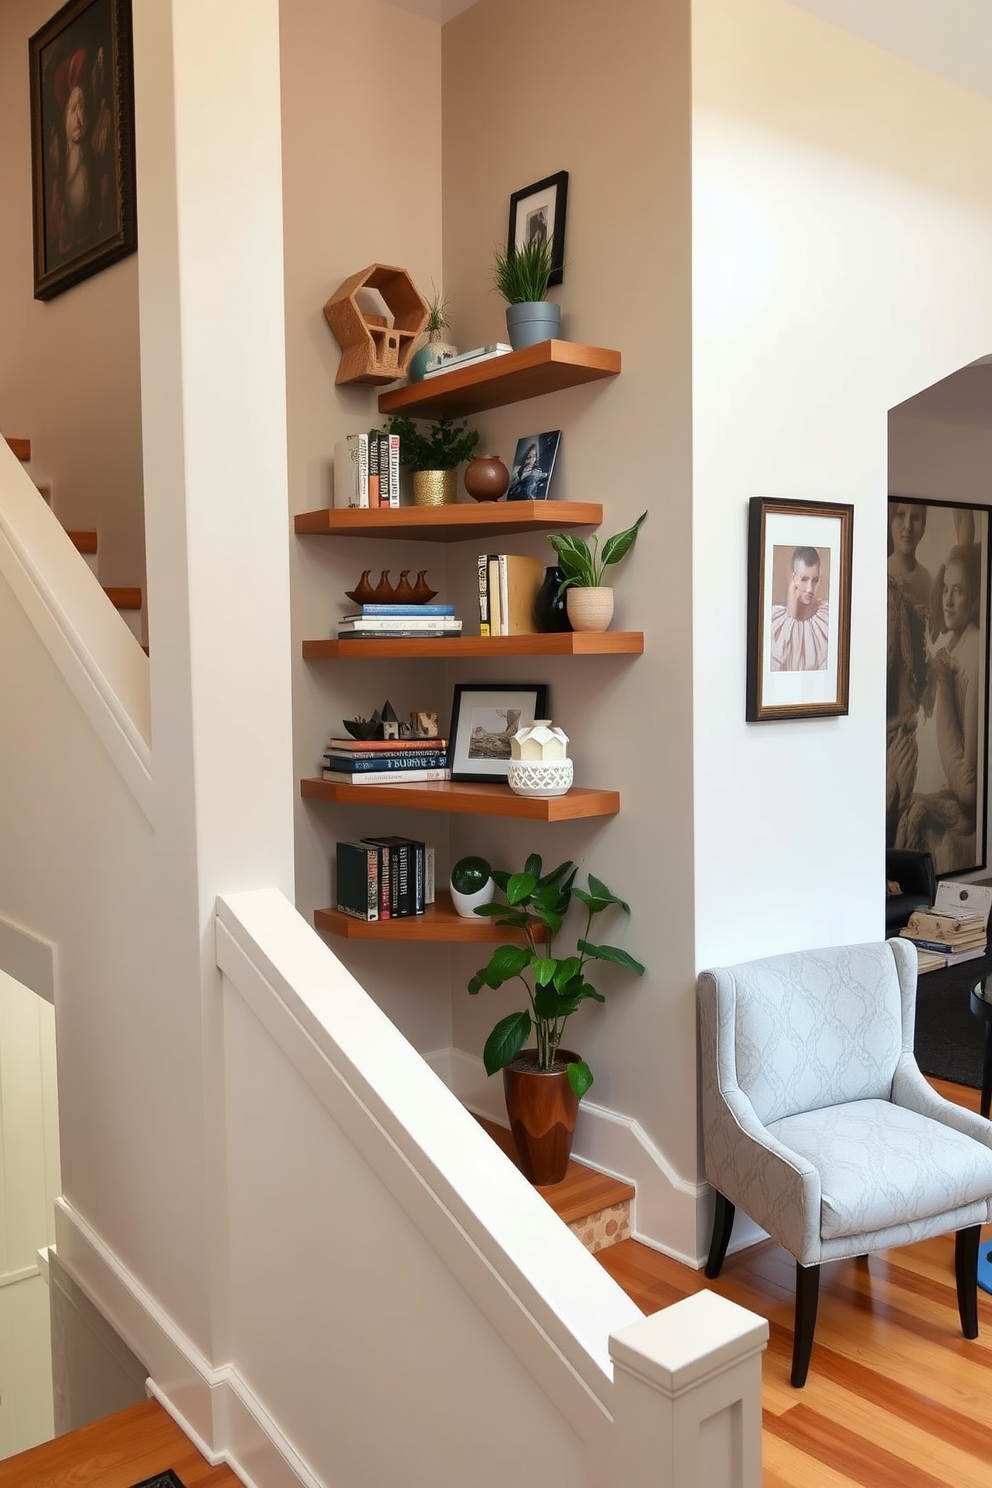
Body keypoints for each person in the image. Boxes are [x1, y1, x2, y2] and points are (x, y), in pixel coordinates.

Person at [901, 542, 981, 871]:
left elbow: (969, 789)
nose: (947, 602)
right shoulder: (951, 645)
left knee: (915, 814)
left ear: (974, 598)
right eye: (945, 589)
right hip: (951, 790)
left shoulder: (975, 653)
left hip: (967, 806)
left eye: (958, 591)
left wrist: (945, 690)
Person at [886, 503, 931, 846]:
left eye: (916, 517)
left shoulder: (927, 581)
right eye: (900, 516)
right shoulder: (879, 578)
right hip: (885, 724)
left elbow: (924, 657)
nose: (907, 526)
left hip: (910, 722)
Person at [769, 546, 830, 671]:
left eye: (815, 580)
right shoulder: (773, 620)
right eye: (804, 579)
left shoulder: (827, 618)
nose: (810, 589)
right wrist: (792, 604)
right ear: (793, 579)